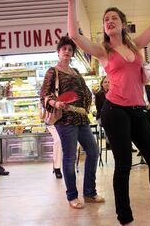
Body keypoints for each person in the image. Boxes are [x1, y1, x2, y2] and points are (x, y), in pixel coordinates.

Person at [60, 0, 150, 226]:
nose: (109, 21)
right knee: (123, 164)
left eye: (114, 18)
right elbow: (75, 36)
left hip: (137, 111)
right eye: (105, 19)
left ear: (123, 24)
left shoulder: (135, 47)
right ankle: (125, 219)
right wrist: (71, 0)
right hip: (115, 111)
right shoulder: (104, 51)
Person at [40, 36, 104, 209]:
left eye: (70, 49)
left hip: (82, 118)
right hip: (65, 120)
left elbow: (85, 91)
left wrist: (88, 102)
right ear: (58, 52)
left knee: (93, 151)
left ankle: (89, 192)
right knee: (69, 157)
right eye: (64, 49)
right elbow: (44, 94)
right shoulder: (53, 71)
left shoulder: (75, 71)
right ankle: (72, 196)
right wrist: (55, 103)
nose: (67, 52)